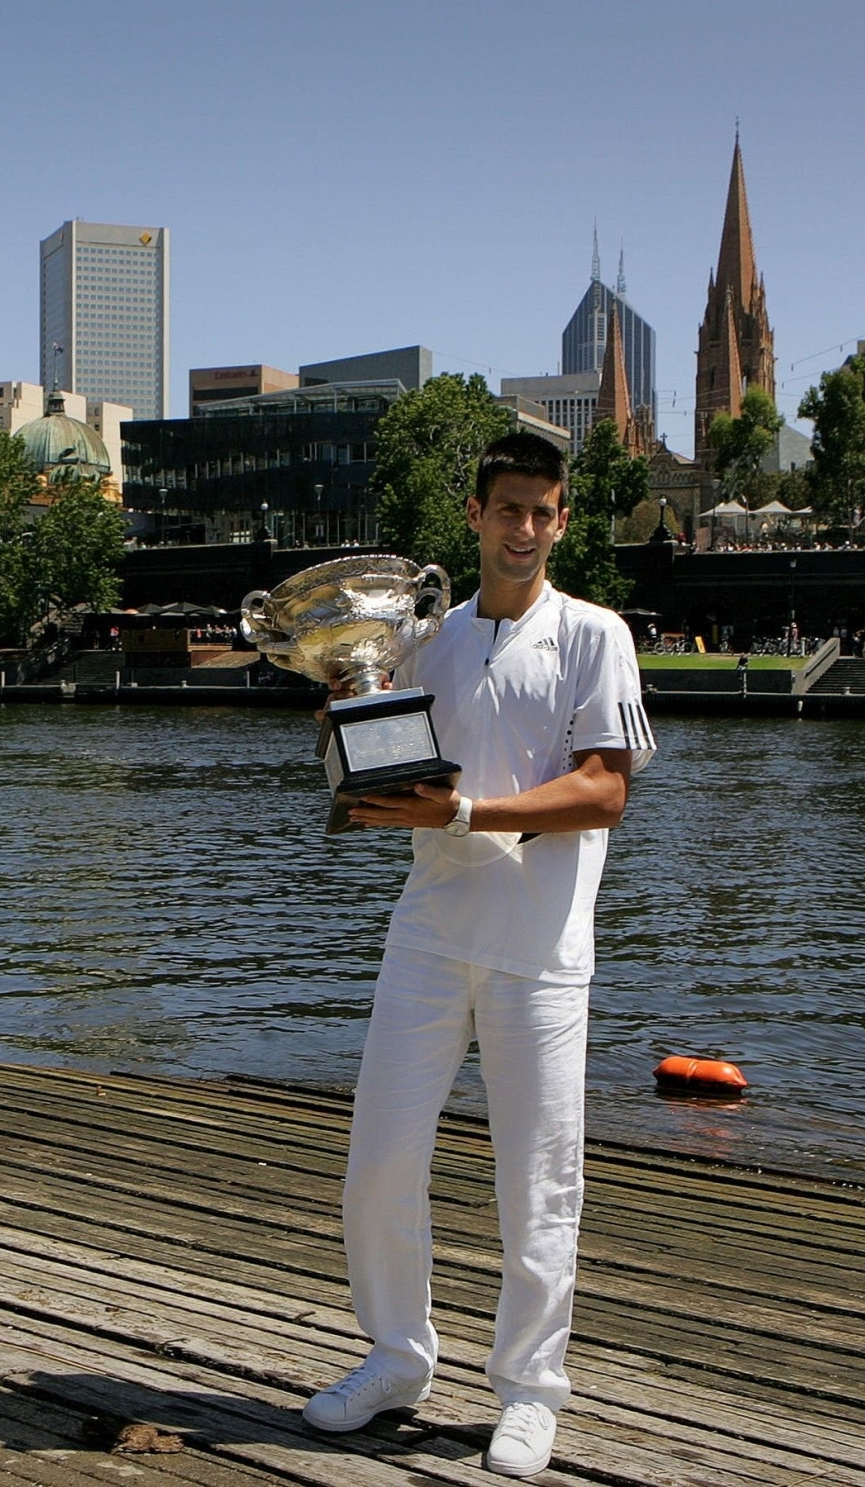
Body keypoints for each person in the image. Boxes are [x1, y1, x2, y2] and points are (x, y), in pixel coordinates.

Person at [302, 432, 655, 1477]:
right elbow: (369, 748)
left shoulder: (597, 634)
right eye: (508, 508)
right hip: (428, 930)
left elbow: (605, 791)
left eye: (544, 510)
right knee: (378, 1162)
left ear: (560, 517)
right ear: (474, 514)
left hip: (540, 951)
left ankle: (530, 1391)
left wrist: (460, 809)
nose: (527, 528)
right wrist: (342, 712)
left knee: (537, 1183)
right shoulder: (423, 639)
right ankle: (397, 1354)